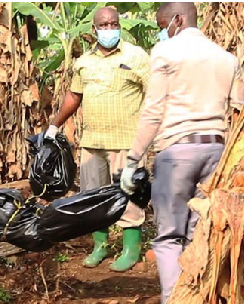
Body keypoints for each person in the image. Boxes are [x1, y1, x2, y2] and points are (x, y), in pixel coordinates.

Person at [119, 2, 244, 303]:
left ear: (177, 19)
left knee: (168, 235)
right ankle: (199, 296)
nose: (163, 32)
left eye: (163, 25)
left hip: (177, 151)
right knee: (198, 233)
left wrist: (133, 159)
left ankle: (173, 299)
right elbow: (240, 110)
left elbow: (152, 111)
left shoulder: (166, 53)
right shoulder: (226, 58)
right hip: (216, 150)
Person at [45, 7, 150, 272]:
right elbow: (75, 96)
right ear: (94, 30)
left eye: (114, 24)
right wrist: (55, 124)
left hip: (127, 142)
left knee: (129, 196)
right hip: (93, 142)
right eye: (104, 25)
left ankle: (131, 249)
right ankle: (100, 246)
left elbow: (154, 94)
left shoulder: (136, 57)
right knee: (93, 197)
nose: (109, 29)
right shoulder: (84, 62)